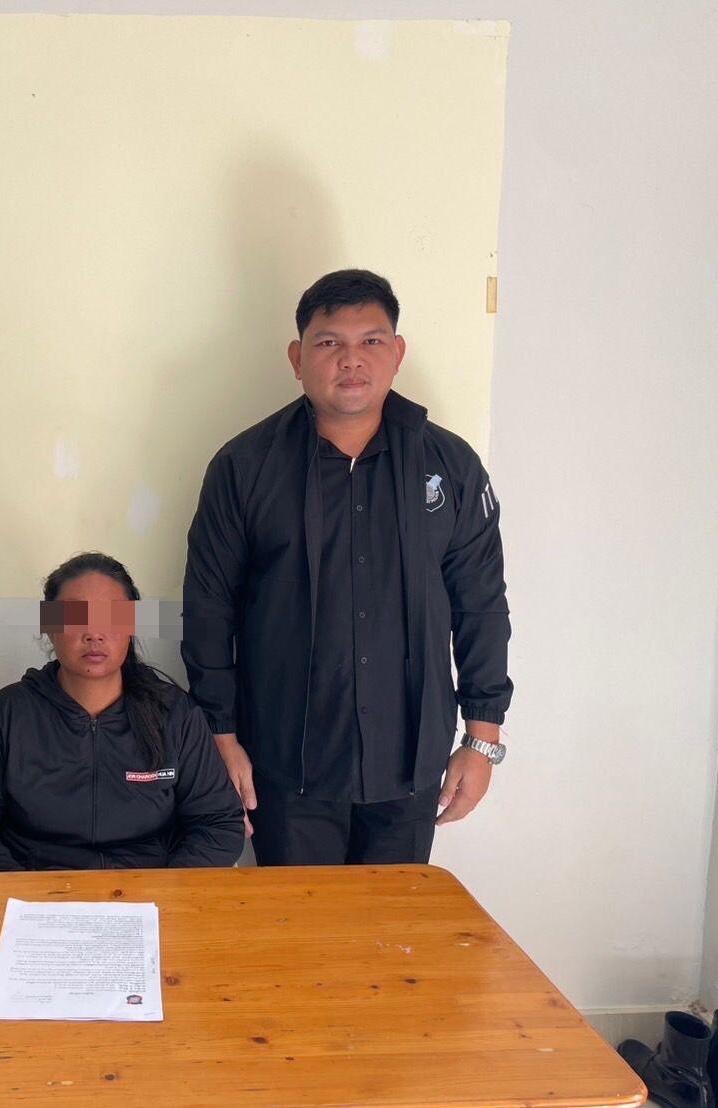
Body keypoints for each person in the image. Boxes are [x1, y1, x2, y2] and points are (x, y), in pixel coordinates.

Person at [182, 269, 512, 866]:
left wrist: (482, 737)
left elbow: (481, 605)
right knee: (298, 922)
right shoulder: (244, 467)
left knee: (392, 923)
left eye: (371, 341)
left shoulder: (451, 466)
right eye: (329, 342)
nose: (351, 360)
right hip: (283, 764)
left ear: (398, 353)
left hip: (411, 761)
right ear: (297, 358)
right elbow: (209, 611)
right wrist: (219, 736)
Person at [0, 552, 243, 871]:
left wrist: (170, 888)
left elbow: (219, 823)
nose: (94, 634)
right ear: (50, 626)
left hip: (150, 885)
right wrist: (22, 890)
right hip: (38, 886)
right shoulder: (10, 712)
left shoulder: (175, 713)